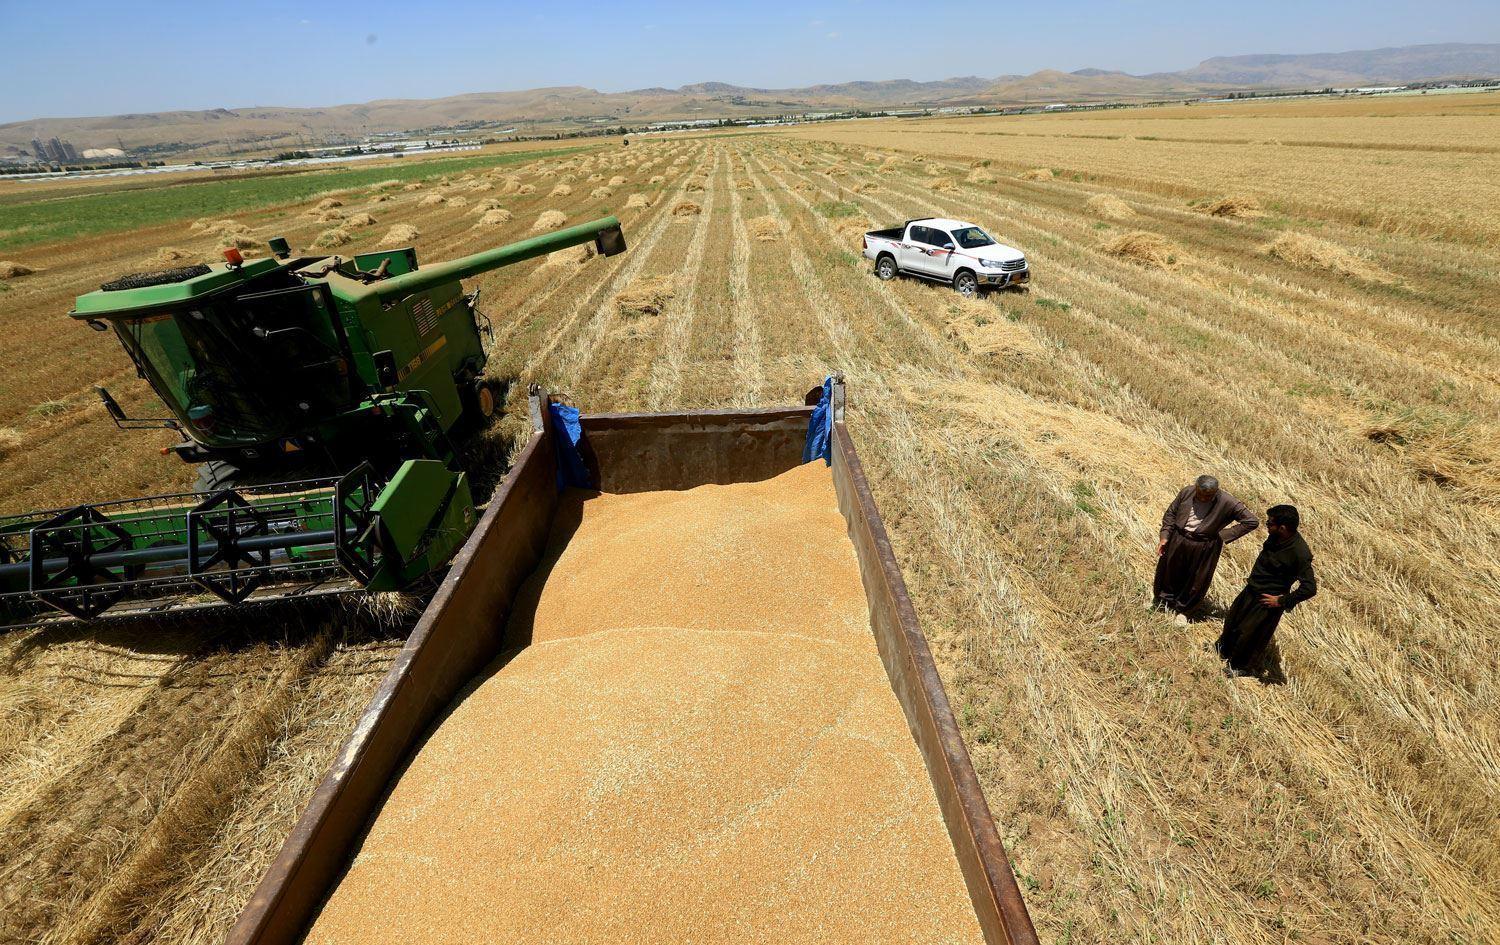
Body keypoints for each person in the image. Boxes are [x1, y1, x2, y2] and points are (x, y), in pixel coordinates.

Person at [1218, 504, 1318, 677]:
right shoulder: (1275, 537)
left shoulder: (1300, 553)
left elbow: (1310, 588)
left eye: (1270, 523)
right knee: (1233, 620)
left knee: (1251, 634)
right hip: (1252, 588)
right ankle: (1223, 650)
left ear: (1283, 528)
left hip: (1267, 600)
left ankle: (1241, 667)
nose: (1267, 525)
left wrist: (1281, 601)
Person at [1152, 475, 1259, 623]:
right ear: (1196, 487)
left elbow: (1251, 521)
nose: (1203, 498)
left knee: (1196, 580)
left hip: (1204, 545)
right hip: (1178, 538)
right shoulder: (1187, 492)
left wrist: (1222, 535)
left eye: (1208, 496)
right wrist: (1165, 536)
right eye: (1200, 494)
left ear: (1216, 492)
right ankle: (1163, 602)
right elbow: (1171, 513)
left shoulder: (1228, 501)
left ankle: (1184, 611)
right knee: (1169, 570)